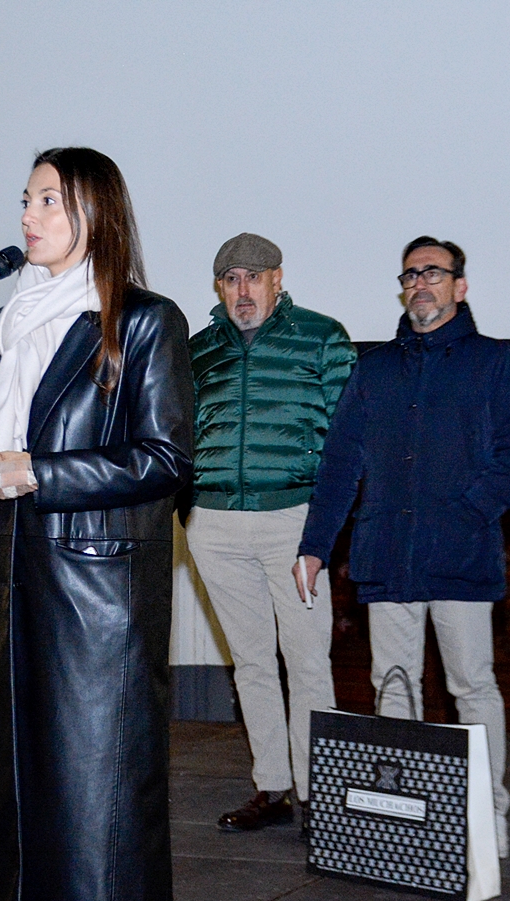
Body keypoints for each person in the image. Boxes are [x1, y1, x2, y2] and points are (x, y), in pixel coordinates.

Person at [0, 147, 190, 901]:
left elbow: (162, 458)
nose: (27, 214)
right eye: (25, 198)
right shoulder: (8, 322)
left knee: (94, 811)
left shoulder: (143, 321)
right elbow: (7, 438)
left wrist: (38, 474)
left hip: (96, 602)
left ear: (93, 214)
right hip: (5, 575)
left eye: (47, 199)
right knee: (14, 801)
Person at [295, 236, 510, 857]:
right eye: (410, 274)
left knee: (471, 686)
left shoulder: (492, 363)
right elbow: (340, 463)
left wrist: (469, 513)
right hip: (387, 555)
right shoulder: (372, 371)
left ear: (460, 286)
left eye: (434, 272)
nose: (420, 283)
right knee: (393, 685)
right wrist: (315, 545)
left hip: (460, 554)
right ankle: (409, 818)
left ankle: (487, 817)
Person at [185, 232, 355, 834]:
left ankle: (321, 794)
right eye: (230, 279)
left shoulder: (322, 336)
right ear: (219, 287)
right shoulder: (199, 350)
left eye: (253, 277)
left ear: (277, 279)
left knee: (308, 661)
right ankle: (274, 787)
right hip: (215, 524)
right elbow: (178, 436)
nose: (242, 290)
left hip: (294, 520)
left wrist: (326, 529)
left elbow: (348, 438)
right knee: (251, 663)